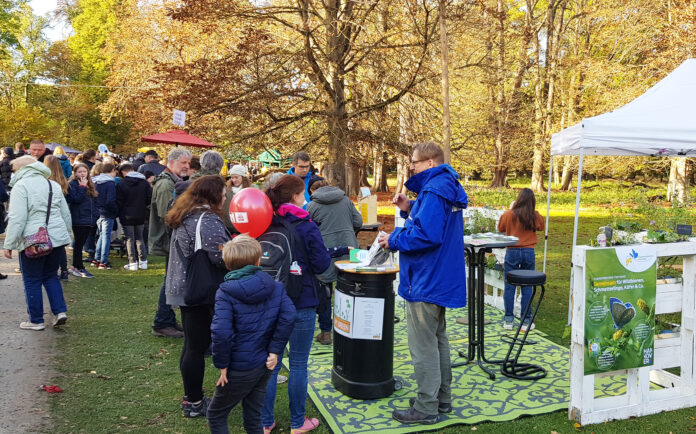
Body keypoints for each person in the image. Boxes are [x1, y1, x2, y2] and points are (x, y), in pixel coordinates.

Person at [378, 142, 468, 425]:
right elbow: (431, 220)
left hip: (426, 278)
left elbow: (426, 235)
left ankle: (427, 406)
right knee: (438, 340)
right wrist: (409, 208)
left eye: (414, 162)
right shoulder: (443, 186)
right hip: (439, 277)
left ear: (430, 162)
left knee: (423, 346)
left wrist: (392, 240)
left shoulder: (434, 188)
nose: (411, 167)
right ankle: (441, 399)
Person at [262, 174, 331, 434]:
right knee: (299, 363)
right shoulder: (306, 224)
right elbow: (322, 264)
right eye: (303, 194)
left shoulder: (265, 219)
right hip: (301, 299)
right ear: (294, 196)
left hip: (270, 299)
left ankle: (265, 422)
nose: (306, 199)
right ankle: (297, 422)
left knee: (272, 362)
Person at [207, 235, 296, 434]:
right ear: (258, 261)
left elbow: (221, 333)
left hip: (242, 367)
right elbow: (289, 316)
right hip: (263, 364)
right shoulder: (275, 286)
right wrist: (274, 351)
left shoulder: (225, 292)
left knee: (216, 414)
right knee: (254, 416)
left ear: (228, 264)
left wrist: (222, 365)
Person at [165, 175, 231, 418]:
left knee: (191, 345)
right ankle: (194, 403)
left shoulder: (187, 215)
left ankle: (191, 398)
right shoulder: (207, 220)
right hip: (199, 291)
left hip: (183, 287)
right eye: (223, 193)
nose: (226, 197)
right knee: (196, 347)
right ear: (213, 195)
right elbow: (220, 256)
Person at [4, 156, 72, 330]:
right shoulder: (53, 185)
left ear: (21, 169)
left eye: (13, 170)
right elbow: (65, 214)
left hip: (33, 240)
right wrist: (66, 236)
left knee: (32, 280)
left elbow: (18, 218)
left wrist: (9, 243)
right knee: (51, 276)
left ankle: (36, 320)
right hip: (56, 238)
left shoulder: (21, 187)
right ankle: (60, 311)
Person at [306, 180, 362, 345]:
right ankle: (354, 328)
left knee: (325, 292)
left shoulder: (312, 206)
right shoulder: (345, 200)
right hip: (351, 248)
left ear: (313, 190)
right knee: (354, 289)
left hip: (325, 251)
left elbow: (307, 230)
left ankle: (326, 332)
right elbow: (358, 222)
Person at [149, 147, 191, 338]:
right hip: (168, 241)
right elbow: (168, 216)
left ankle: (167, 319)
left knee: (171, 279)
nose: (187, 167)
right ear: (171, 162)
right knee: (170, 280)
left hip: (171, 240)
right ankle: (162, 321)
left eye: (188, 163)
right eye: (184, 163)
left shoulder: (173, 181)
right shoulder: (167, 185)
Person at [497, 188, 545, 332]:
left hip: (512, 251)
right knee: (527, 286)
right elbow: (541, 226)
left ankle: (509, 320)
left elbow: (500, 228)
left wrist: (511, 209)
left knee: (510, 286)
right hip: (528, 251)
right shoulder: (534, 216)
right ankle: (526, 321)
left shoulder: (509, 214)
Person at [117, 163, 152, 271]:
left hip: (126, 214)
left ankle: (132, 262)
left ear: (124, 172)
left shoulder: (121, 184)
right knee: (140, 238)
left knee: (129, 239)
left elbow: (118, 200)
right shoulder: (144, 183)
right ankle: (143, 261)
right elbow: (149, 198)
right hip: (141, 213)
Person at [66, 163, 98, 278]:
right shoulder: (72, 185)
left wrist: (96, 214)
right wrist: (82, 187)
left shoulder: (91, 184)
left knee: (82, 242)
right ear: (75, 173)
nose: (82, 174)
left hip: (89, 218)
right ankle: (78, 266)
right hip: (79, 218)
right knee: (79, 244)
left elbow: (94, 200)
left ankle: (77, 266)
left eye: (84, 172)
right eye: (80, 172)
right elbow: (75, 199)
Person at [191, 151, 234, 232]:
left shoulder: (190, 183)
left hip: (188, 232)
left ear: (201, 164)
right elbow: (229, 220)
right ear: (220, 166)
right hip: (213, 232)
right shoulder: (221, 189)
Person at [44, 156, 71, 280]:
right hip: (60, 212)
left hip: (50, 212)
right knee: (59, 247)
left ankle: (48, 268)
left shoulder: (46, 181)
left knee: (47, 242)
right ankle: (64, 269)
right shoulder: (63, 179)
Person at [93, 163, 118, 270]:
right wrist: (115, 211)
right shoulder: (110, 183)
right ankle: (103, 261)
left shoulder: (95, 181)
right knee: (106, 237)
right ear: (112, 170)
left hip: (97, 211)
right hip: (107, 212)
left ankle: (97, 258)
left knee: (102, 235)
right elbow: (110, 200)